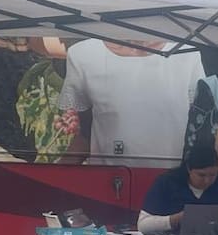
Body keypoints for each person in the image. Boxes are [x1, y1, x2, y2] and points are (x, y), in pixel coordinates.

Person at [57, 38, 202, 166]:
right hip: (112, 183)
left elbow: (200, 126)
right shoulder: (84, 54)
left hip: (172, 184)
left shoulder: (187, 53)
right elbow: (85, 133)